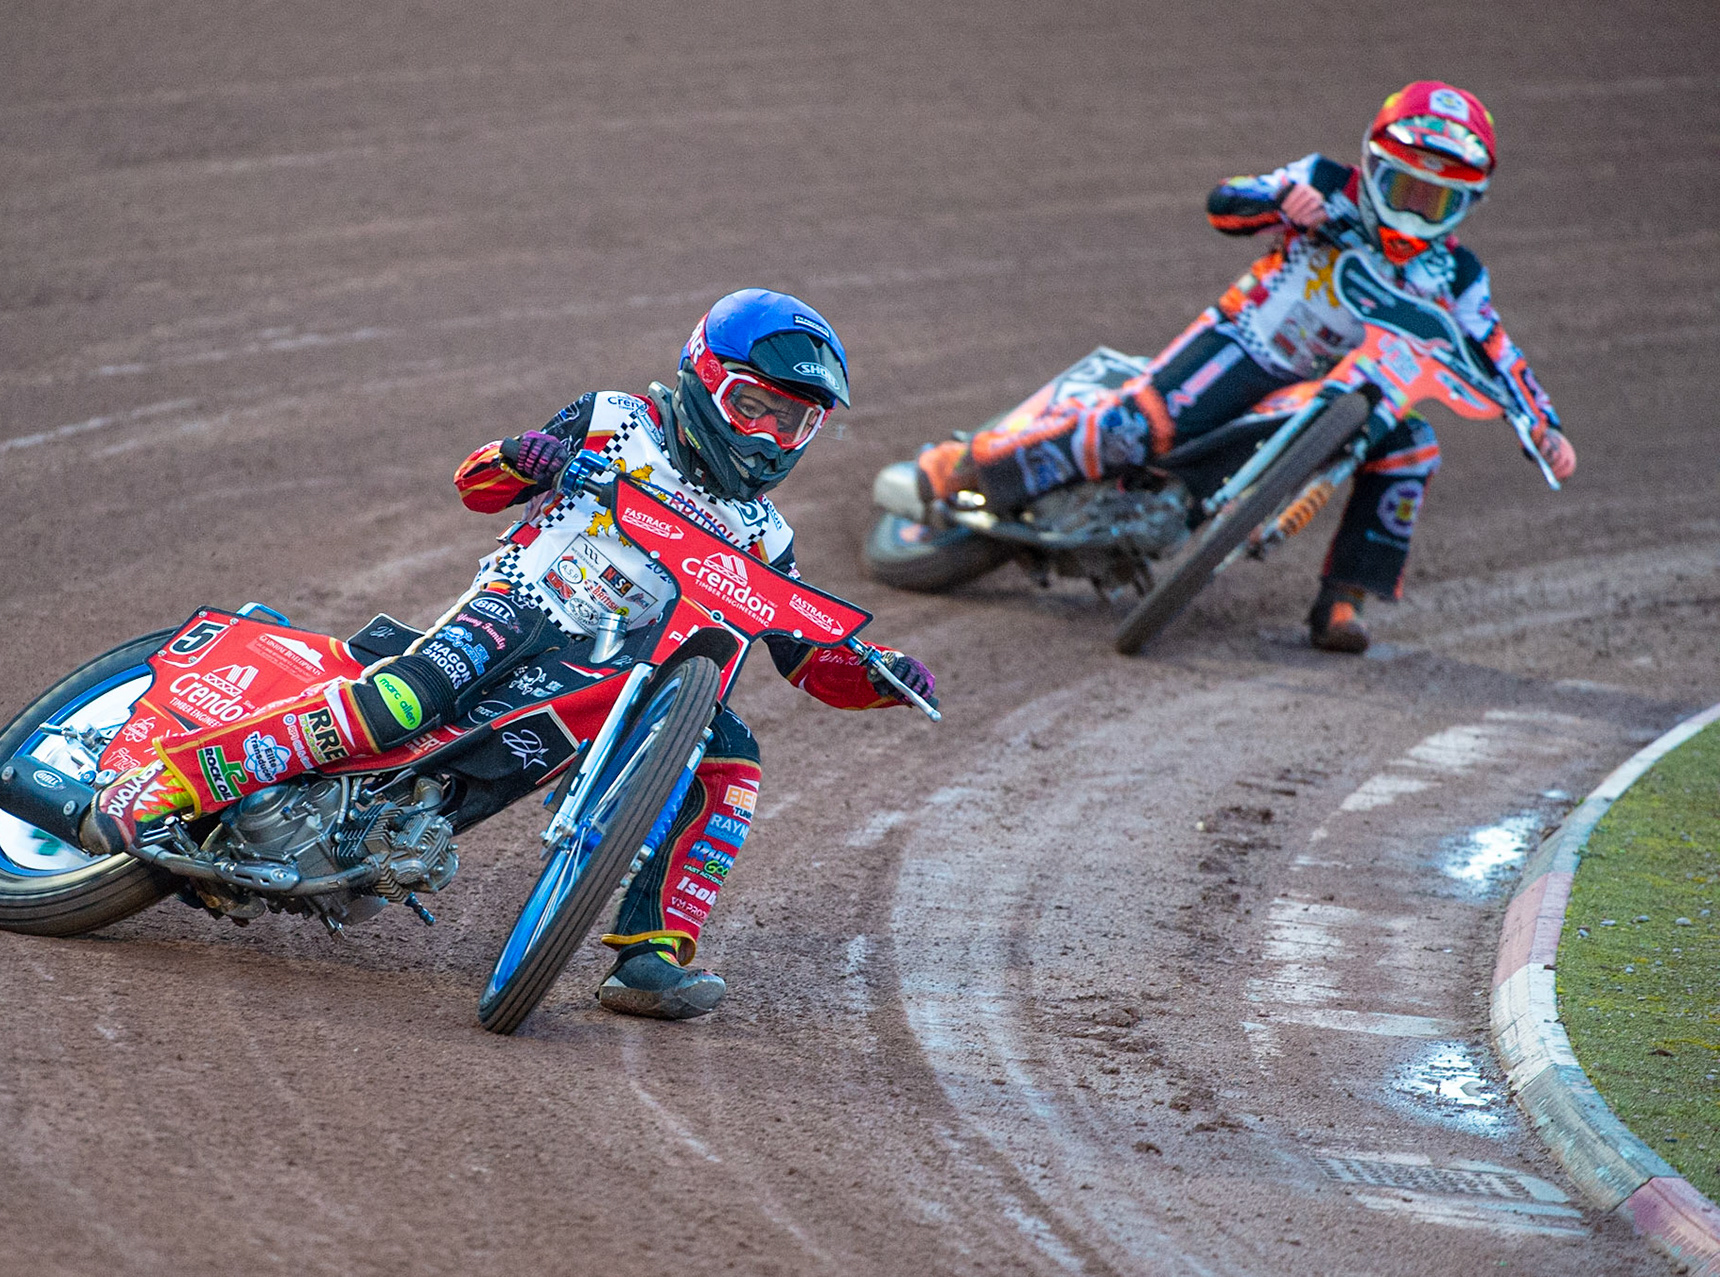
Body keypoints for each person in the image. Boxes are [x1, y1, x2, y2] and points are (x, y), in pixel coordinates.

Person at [79, 288, 936, 1020]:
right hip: (522, 609)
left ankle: (649, 950)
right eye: (756, 407)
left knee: (733, 755)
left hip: (619, 682)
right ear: (708, 379)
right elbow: (477, 484)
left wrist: (877, 674)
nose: (773, 436)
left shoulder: (767, 536)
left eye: (797, 422)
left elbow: (804, 653)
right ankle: (175, 777)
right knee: (401, 703)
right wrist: (526, 457)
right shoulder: (616, 420)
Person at [914, 81, 1575, 652]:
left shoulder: (1458, 274)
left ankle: (1345, 601)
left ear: (1465, 205)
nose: (1411, 211)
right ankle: (971, 463)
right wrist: (1281, 202)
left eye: (1434, 201)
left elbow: (1496, 350)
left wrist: (1542, 425)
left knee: (1412, 449)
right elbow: (1224, 198)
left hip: (1348, 387)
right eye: (1402, 188)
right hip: (1249, 343)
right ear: (1373, 165)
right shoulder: (1323, 181)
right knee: (1137, 430)